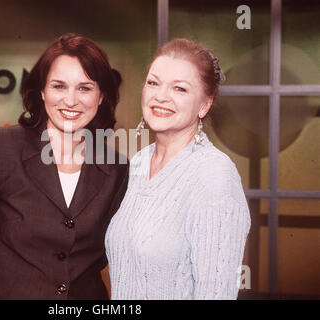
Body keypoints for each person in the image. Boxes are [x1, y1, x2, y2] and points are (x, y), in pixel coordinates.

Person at [0, 33, 128, 299]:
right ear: (42, 91)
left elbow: (108, 253)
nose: (70, 100)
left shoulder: (117, 168)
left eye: (85, 88)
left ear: (101, 96)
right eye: (59, 86)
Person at [105, 38, 250, 300]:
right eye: (153, 83)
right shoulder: (138, 163)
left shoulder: (214, 175)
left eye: (180, 89)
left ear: (204, 105)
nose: (161, 96)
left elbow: (215, 294)